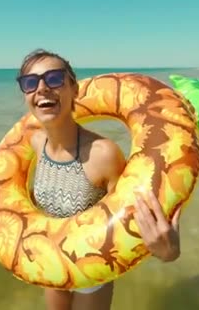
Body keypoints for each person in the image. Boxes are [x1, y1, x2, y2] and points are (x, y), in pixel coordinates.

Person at [16, 49, 182, 310]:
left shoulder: (104, 154)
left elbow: (130, 220)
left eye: (54, 78)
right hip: (52, 263)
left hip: (92, 273)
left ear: (74, 89)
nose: (42, 88)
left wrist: (167, 252)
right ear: (25, 94)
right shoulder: (35, 143)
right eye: (30, 82)